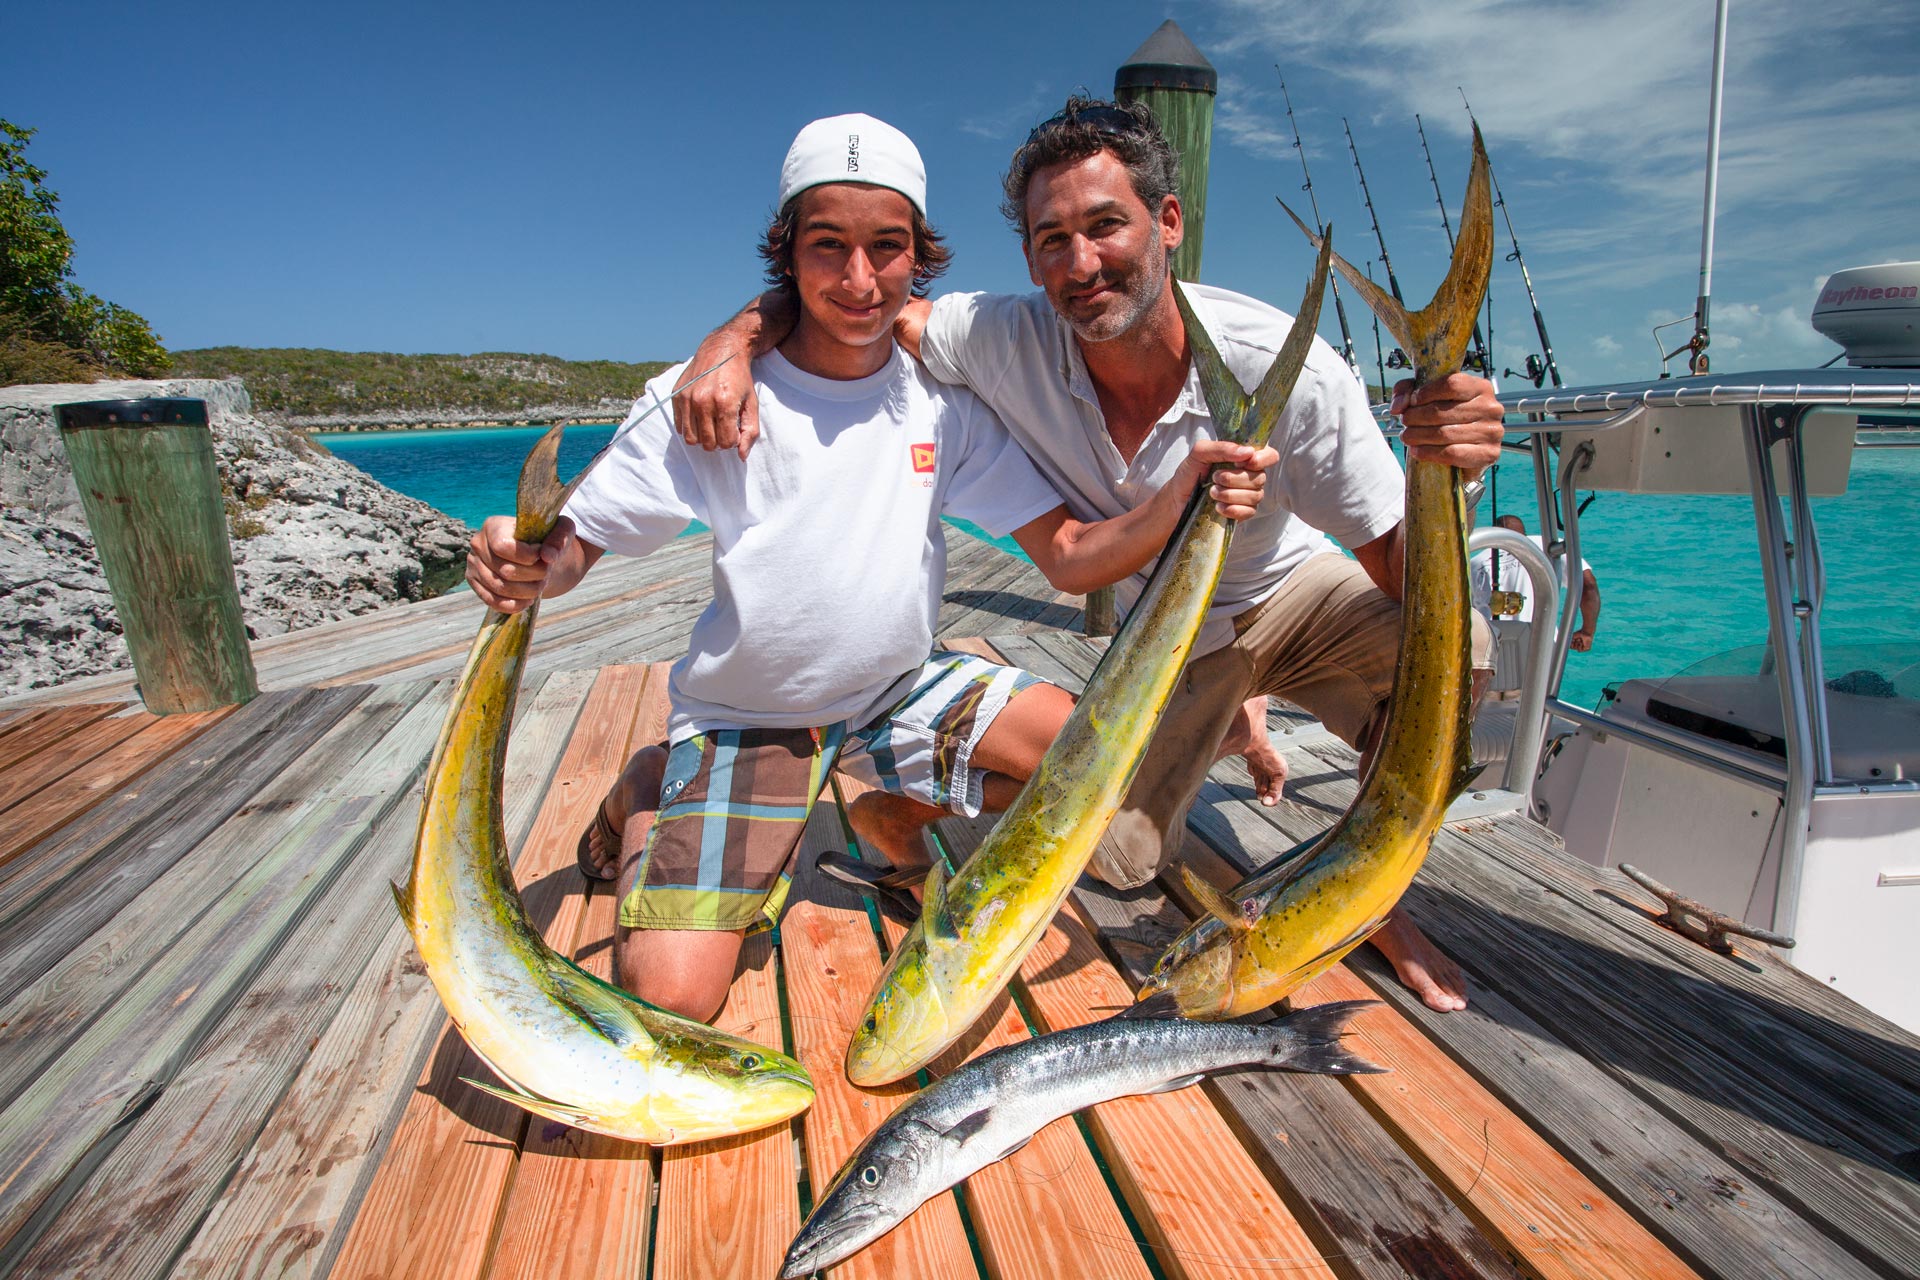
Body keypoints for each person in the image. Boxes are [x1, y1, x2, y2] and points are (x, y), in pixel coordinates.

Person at [674, 98, 1509, 1013]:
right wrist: (730, 343)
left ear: (1168, 222)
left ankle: (1369, 888)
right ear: (1028, 256)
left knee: (1456, 650)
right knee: (1117, 860)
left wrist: (1447, 464)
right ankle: (901, 810)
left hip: (1292, 588)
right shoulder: (999, 338)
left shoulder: (1290, 365)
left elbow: (1405, 580)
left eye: (1106, 225)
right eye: (1051, 239)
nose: (1081, 264)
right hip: (1177, 631)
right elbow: (854, 294)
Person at [465, 113, 1275, 1023]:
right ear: (788, 255)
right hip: (751, 719)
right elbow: (580, 543)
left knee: (1109, 767)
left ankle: (890, 815)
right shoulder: (704, 400)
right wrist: (529, 558)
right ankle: (654, 785)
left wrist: (1177, 496)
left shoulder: (942, 399)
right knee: (673, 1000)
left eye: (887, 248)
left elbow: (1073, 557)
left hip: (898, 690)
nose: (858, 280)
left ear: (918, 257)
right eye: (828, 248)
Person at [1470, 514, 1602, 650]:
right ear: (1525, 535)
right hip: (1541, 645)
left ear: (1493, 535)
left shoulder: (1474, 563)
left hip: (1490, 647)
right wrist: (1587, 632)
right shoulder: (1550, 548)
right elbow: (1588, 585)